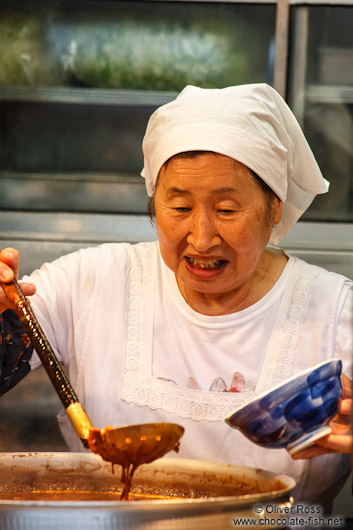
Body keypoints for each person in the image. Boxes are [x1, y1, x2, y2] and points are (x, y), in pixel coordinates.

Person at [0, 84, 352, 512]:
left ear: (274, 208)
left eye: (226, 210)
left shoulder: (337, 313)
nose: (201, 238)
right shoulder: (88, 283)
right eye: (180, 208)